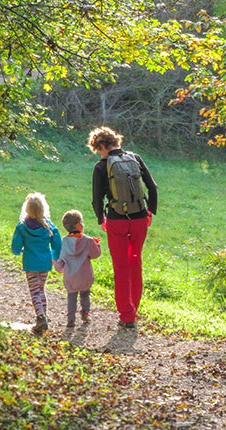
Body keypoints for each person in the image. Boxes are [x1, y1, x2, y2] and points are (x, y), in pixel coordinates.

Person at [88, 127, 158, 328]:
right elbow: (152, 187)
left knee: (121, 268)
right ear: (116, 141)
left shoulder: (101, 167)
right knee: (135, 263)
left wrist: (101, 218)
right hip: (139, 218)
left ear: (101, 145)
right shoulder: (135, 158)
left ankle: (126, 316)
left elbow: (96, 199)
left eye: (97, 149)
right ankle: (134, 309)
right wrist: (149, 211)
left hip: (116, 220)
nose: (99, 152)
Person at [11, 192, 62, 335]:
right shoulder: (49, 226)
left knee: (35, 291)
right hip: (45, 263)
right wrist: (54, 256)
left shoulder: (22, 226)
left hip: (30, 263)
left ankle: (40, 317)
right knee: (41, 289)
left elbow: (16, 245)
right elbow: (58, 245)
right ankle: (43, 317)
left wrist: (18, 250)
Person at [54, 210, 102, 328]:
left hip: (70, 277)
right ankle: (85, 313)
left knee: (72, 296)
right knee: (85, 294)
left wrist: (58, 267)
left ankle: (71, 319)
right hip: (85, 276)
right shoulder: (88, 240)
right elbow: (95, 255)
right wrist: (97, 244)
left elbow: (60, 260)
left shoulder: (64, 242)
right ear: (79, 226)